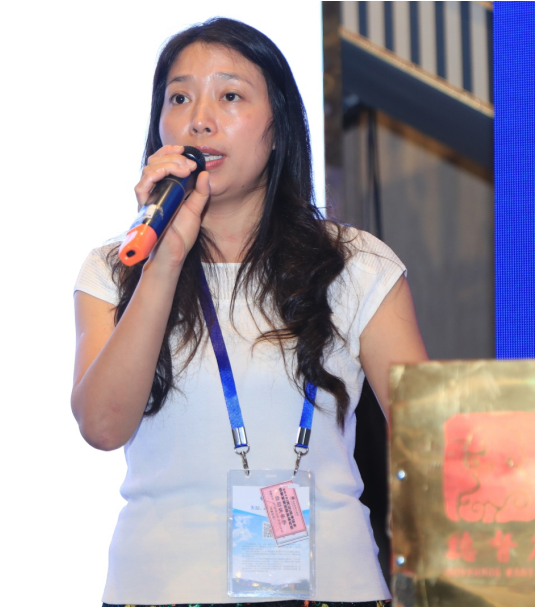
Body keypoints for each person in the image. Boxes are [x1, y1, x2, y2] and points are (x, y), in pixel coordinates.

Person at [72, 17, 428, 607]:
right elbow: (102, 426)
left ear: (277, 127)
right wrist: (164, 259)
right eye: (179, 98)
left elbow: (431, 441)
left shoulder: (356, 263)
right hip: (158, 587)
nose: (199, 119)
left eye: (230, 96)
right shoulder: (115, 268)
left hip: (333, 588)